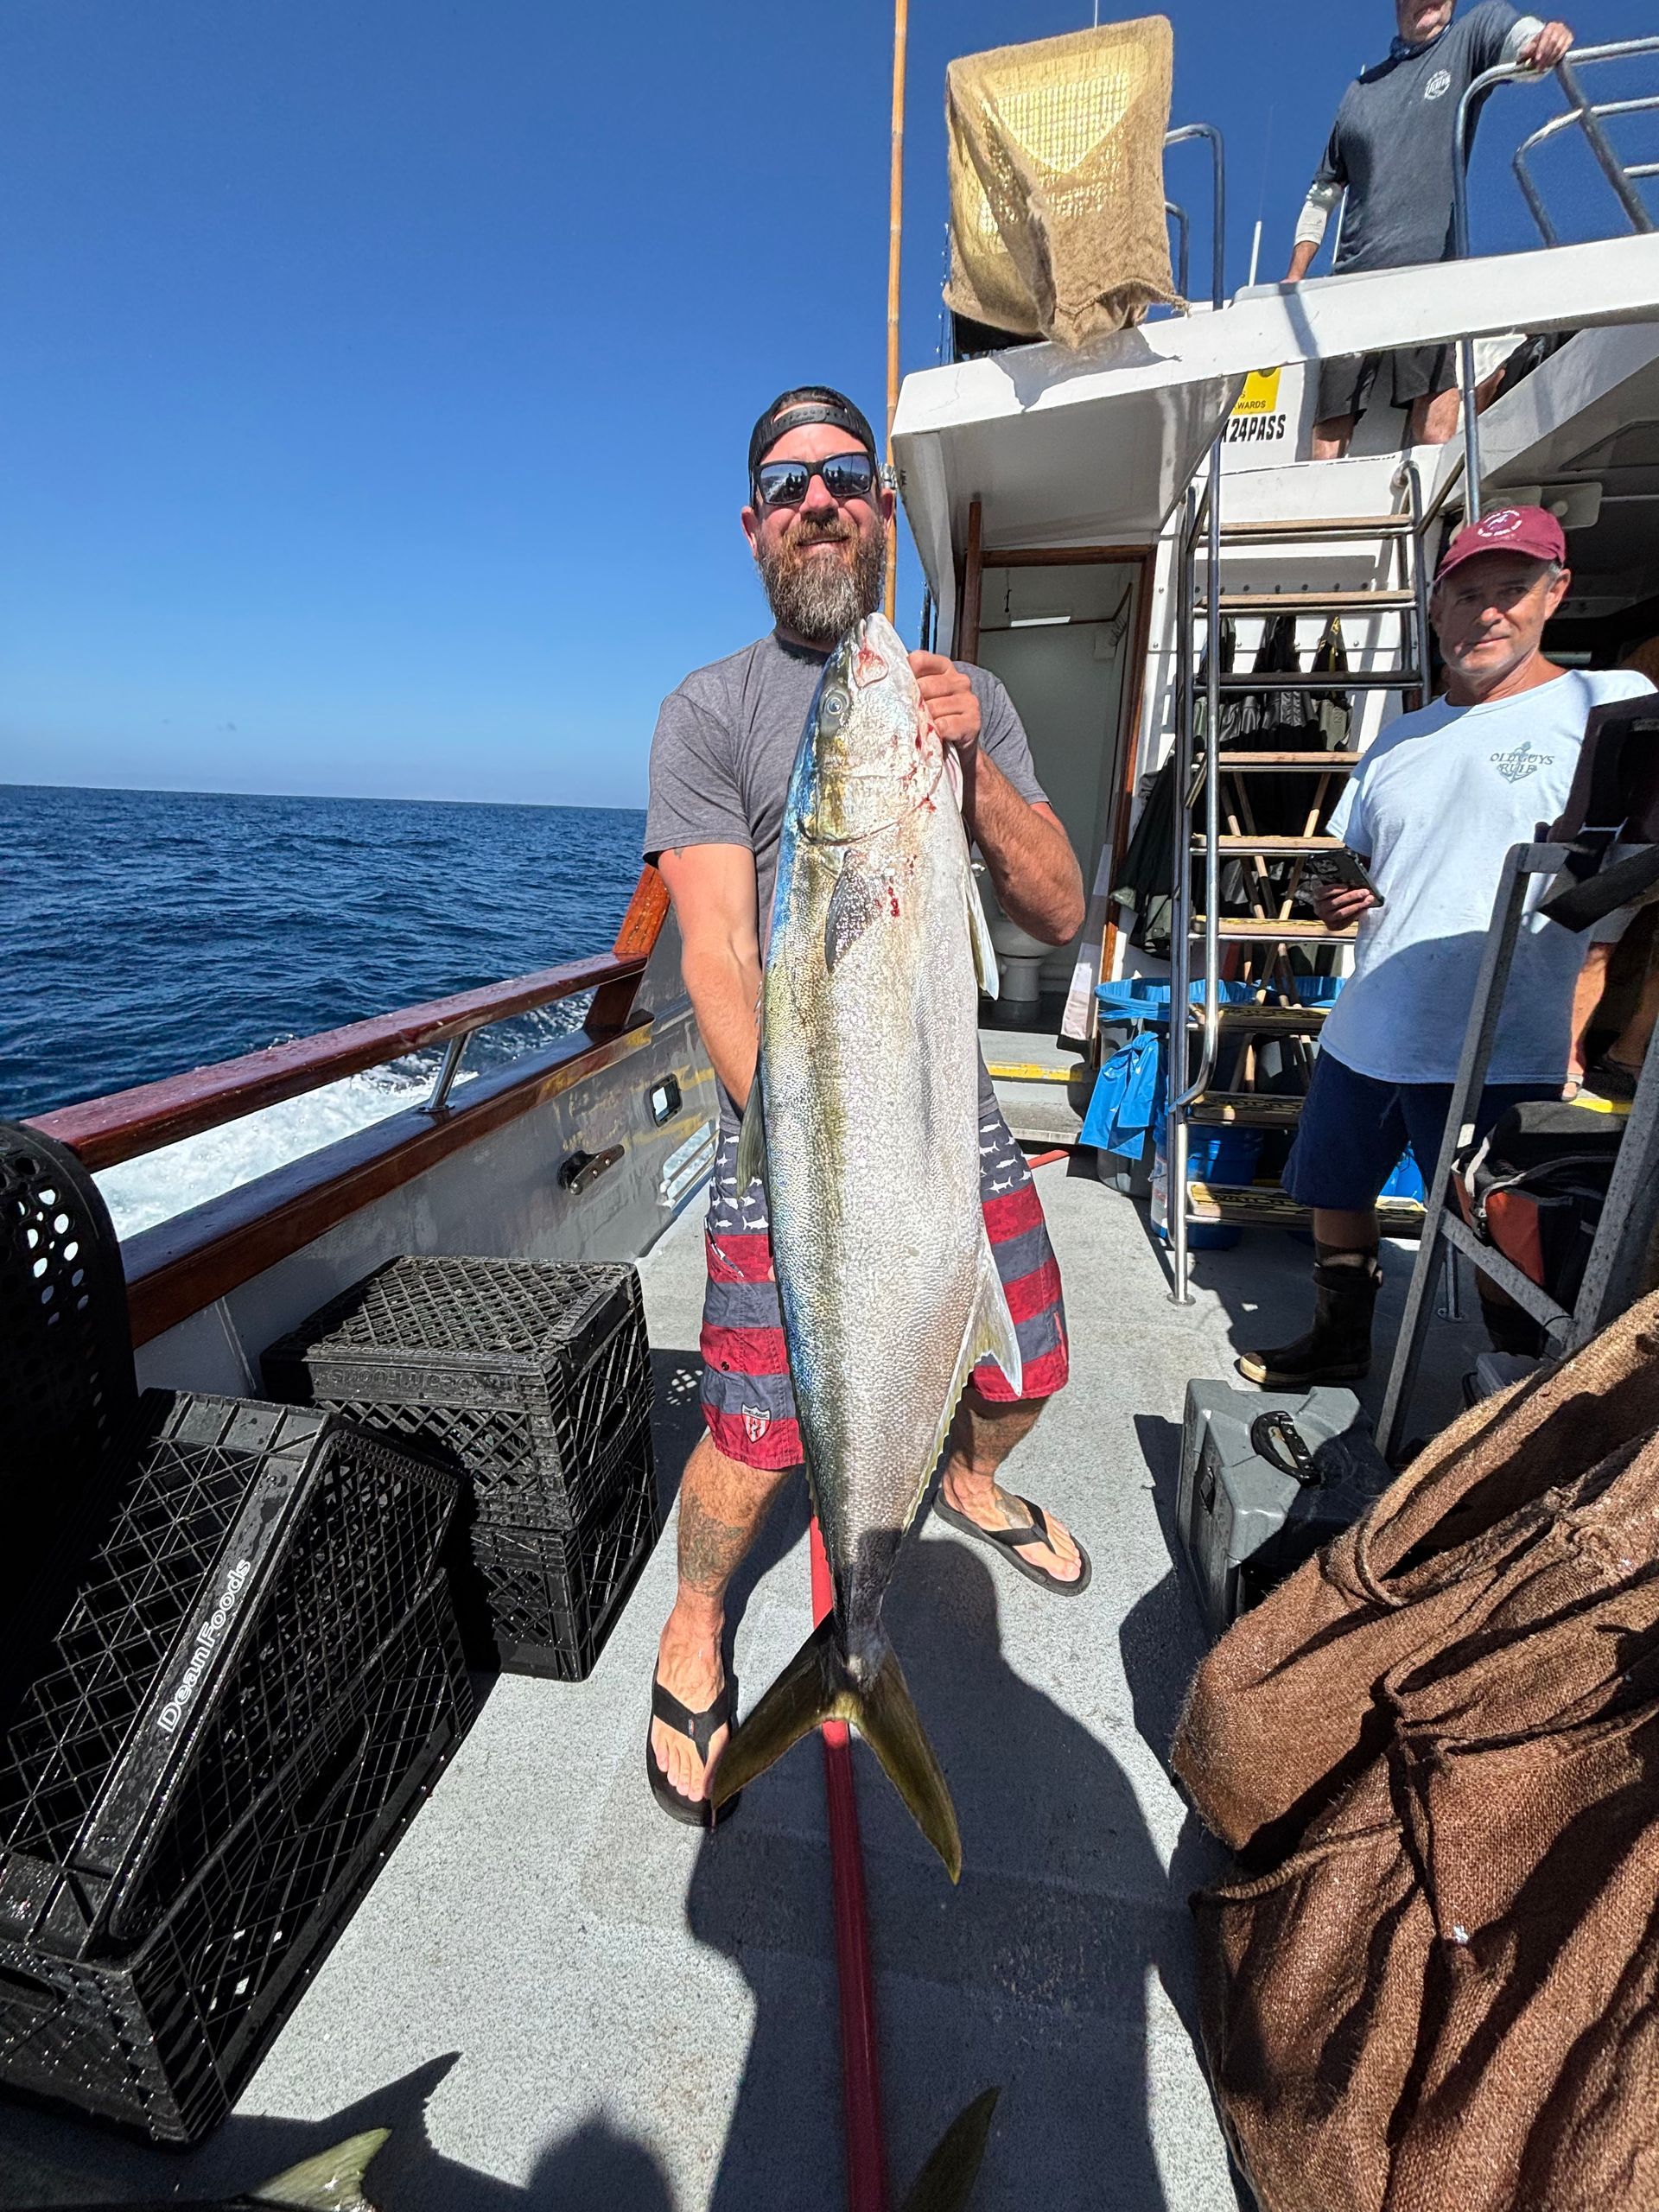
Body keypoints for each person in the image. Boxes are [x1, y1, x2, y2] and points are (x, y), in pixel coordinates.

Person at [642, 386, 1090, 1823]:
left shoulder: (963, 700)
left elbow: (1057, 906)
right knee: (759, 1433)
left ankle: (954, 1480)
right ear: (755, 528)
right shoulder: (709, 712)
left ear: (883, 510)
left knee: (1028, 1368)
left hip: (942, 1110)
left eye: (846, 477)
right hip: (793, 1120)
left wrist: (969, 768)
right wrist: (801, 1143)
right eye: (788, 486)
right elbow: (717, 951)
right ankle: (702, 1626)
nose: (820, 500)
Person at [1238, 504, 1655, 1389]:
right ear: (1436, 608)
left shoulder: (1607, 705)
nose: (1488, 613)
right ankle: (1339, 1338)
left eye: (1512, 591)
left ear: (1557, 593)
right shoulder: (1396, 738)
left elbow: (1620, 896)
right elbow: (1337, 865)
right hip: (1369, 1023)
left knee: (1494, 1222)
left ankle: (1504, 1386)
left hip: (1502, 1039)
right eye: (1468, 595)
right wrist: (1329, 894)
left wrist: (1587, 1022)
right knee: (1333, 1189)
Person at [1285, 0, 1573, 460]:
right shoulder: (1358, 92)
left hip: (1432, 277)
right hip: (1351, 284)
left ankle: (1430, 527)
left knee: (1436, 428)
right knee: (1326, 441)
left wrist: (1544, 41)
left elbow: (1522, 45)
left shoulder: (1468, 37)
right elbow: (1322, 193)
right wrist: (1296, 275)